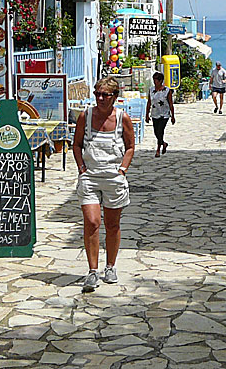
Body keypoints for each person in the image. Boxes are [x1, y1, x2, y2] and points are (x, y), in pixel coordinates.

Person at [72, 76, 135, 292]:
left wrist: (122, 170)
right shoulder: (86, 116)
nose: (100, 98)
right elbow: (77, 144)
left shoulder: (122, 118)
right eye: (97, 94)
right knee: (91, 221)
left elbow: (130, 146)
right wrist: (81, 168)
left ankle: (110, 266)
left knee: (112, 224)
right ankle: (92, 270)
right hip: (90, 177)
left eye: (105, 95)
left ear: (115, 97)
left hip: (113, 178)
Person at [146, 72, 175, 157]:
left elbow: (170, 103)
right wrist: (147, 114)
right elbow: (149, 102)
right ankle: (163, 143)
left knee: (160, 131)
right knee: (156, 132)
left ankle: (158, 149)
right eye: (154, 80)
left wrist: (173, 116)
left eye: (156, 80)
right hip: (155, 113)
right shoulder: (151, 90)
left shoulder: (167, 91)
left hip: (164, 114)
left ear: (161, 81)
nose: (155, 82)